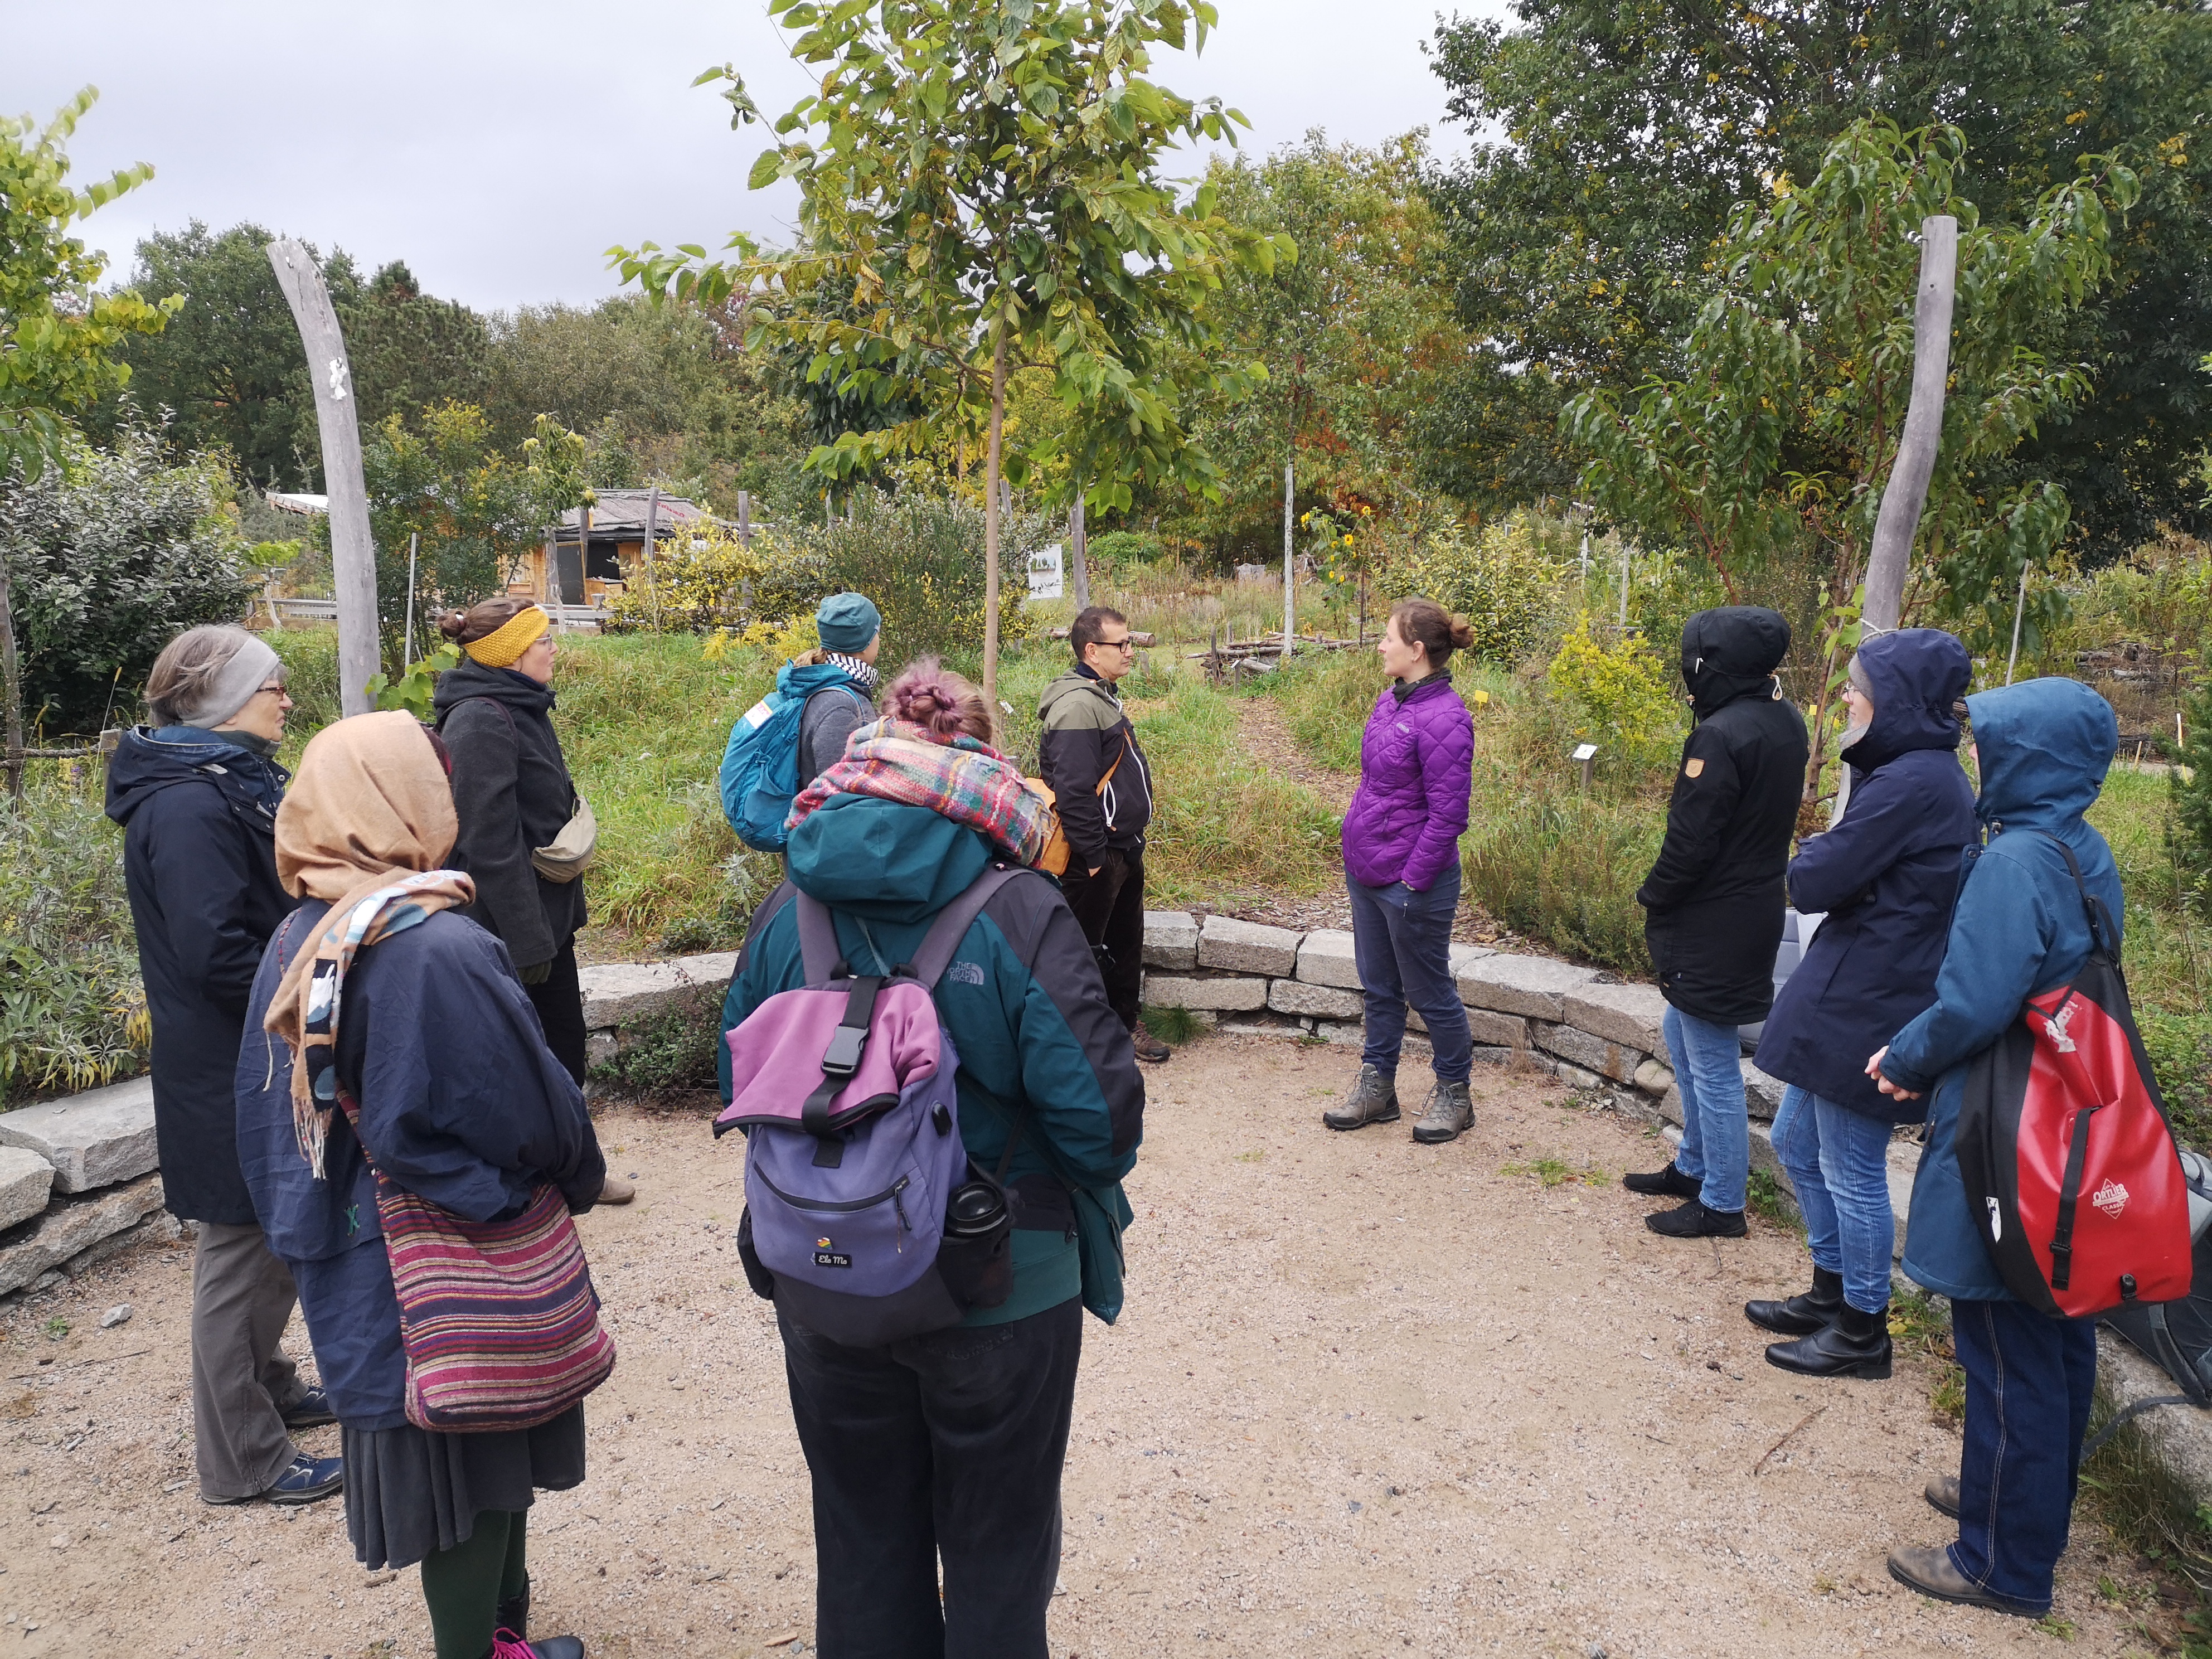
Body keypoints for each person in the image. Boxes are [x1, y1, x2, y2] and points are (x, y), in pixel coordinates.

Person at [724, 659, 1144, 1659]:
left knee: (863, 1544)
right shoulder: (1018, 910)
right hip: (995, 1278)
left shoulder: (790, 909)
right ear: (980, 762)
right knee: (998, 1553)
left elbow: (739, 1077)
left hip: (825, 1271)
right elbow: (1098, 1124)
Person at [235, 711, 605, 1659]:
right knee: (476, 1460)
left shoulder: (301, 936)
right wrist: (565, 1174)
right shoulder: (433, 945)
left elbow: (266, 1117)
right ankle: (479, 1648)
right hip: (443, 1252)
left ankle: (502, 1630)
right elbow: (522, 1102)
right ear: (408, 801)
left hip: (352, 1243)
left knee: (468, 1458)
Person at [1870, 677, 2121, 1619]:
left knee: (2000, 1330)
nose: (1976, 755)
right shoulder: (2075, 847)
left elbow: (1974, 1000)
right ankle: (2016, 1500)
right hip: (2065, 1118)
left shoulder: (2014, 862)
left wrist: (1903, 1057)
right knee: (2053, 1330)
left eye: (1991, 743)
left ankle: (1999, 1562)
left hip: (2008, 1127)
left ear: (2029, 757)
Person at [104, 624, 339, 1507]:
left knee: (272, 1232)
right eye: (272, 683)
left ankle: (270, 1387)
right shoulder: (189, 805)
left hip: (252, 1047)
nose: (286, 696)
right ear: (224, 697)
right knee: (242, 1248)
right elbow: (215, 957)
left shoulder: (220, 779)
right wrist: (311, 998)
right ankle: (242, 1459)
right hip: (230, 1062)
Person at [1748, 629, 1977, 1378]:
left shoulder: (1916, 781)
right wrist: (1835, 864)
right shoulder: (1915, 773)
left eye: (1859, 686)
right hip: (1858, 977)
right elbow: (1840, 871)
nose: (1848, 696)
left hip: (1875, 994)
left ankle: (1862, 1329)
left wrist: (1818, 858)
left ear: (1897, 698)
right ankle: (1831, 1288)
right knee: (1793, 1141)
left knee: (1850, 1163)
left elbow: (1815, 877)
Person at [431, 599, 630, 1207]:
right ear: (512, 652)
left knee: (560, 1050)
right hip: (510, 929)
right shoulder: (482, 721)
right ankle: (559, 1179)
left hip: (542, 920)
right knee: (539, 1058)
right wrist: (527, 944)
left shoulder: (519, 705)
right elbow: (486, 844)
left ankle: (572, 1171)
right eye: (542, 639)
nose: (552, 648)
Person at [1624, 606, 1808, 1238]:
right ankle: (1693, 1164)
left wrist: (1654, 895)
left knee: (1711, 1066)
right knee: (1682, 1036)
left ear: (1711, 664)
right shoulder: (1784, 719)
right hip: (1751, 905)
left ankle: (1723, 1202)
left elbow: (1691, 839)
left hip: (1712, 917)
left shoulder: (1720, 734)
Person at [1324, 599, 1478, 1143]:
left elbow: (1448, 817)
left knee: (1429, 989)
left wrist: (1412, 880)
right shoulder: (1389, 701)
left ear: (1416, 651)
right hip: (1367, 870)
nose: (1381, 645)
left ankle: (1454, 1094)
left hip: (1412, 881)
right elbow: (1377, 785)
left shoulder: (1447, 719)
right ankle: (1378, 1088)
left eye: (1389, 637)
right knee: (1380, 987)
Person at [1038, 605, 1165, 1062]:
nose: (1131, 651)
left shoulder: (1099, 695)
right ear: (1092, 650)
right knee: (1084, 951)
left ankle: (1124, 1026)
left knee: (1124, 942)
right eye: (1122, 644)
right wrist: (1094, 856)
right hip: (1097, 855)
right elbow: (1073, 789)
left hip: (1122, 848)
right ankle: (1079, 1044)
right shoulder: (1076, 704)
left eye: (1130, 642)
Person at [794, 591, 885, 785]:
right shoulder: (841, 707)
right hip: (818, 815)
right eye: (877, 631)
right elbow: (837, 792)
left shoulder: (820, 677)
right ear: (864, 644)